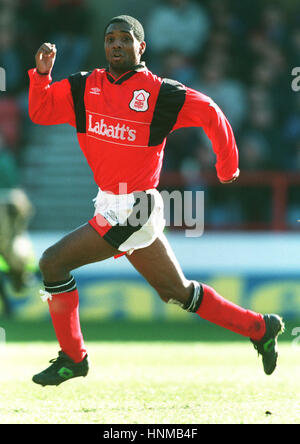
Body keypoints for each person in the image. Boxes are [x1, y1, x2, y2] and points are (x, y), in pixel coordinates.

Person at [28, 15, 284, 387]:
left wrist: (228, 167)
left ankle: (74, 357)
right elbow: (41, 110)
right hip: (110, 205)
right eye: (110, 38)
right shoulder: (84, 87)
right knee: (175, 292)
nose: (116, 44)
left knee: (52, 263)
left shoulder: (161, 93)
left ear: (141, 47)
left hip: (137, 208)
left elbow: (211, 112)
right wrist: (41, 76)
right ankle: (261, 328)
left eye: (125, 39)